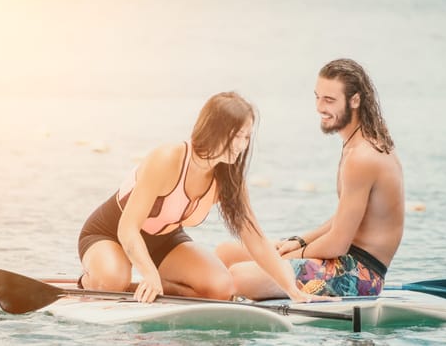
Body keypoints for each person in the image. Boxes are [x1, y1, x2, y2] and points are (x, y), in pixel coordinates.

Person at [77, 91, 334, 304]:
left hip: (164, 241)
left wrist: (293, 291)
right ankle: (93, 281)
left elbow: (255, 239)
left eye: (247, 137)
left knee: (221, 288)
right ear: (215, 130)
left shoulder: (228, 180)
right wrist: (149, 272)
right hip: (109, 234)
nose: (243, 144)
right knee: (111, 281)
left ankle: (138, 287)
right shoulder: (168, 158)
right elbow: (127, 229)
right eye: (238, 135)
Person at [216, 59, 404, 300]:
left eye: (329, 100)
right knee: (226, 252)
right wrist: (298, 241)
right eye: (317, 97)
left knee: (238, 276)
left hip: (361, 275)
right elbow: (344, 218)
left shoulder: (362, 156)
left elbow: (337, 243)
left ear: (355, 100)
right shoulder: (356, 144)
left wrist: (283, 259)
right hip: (343, 259)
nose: (319, 107)